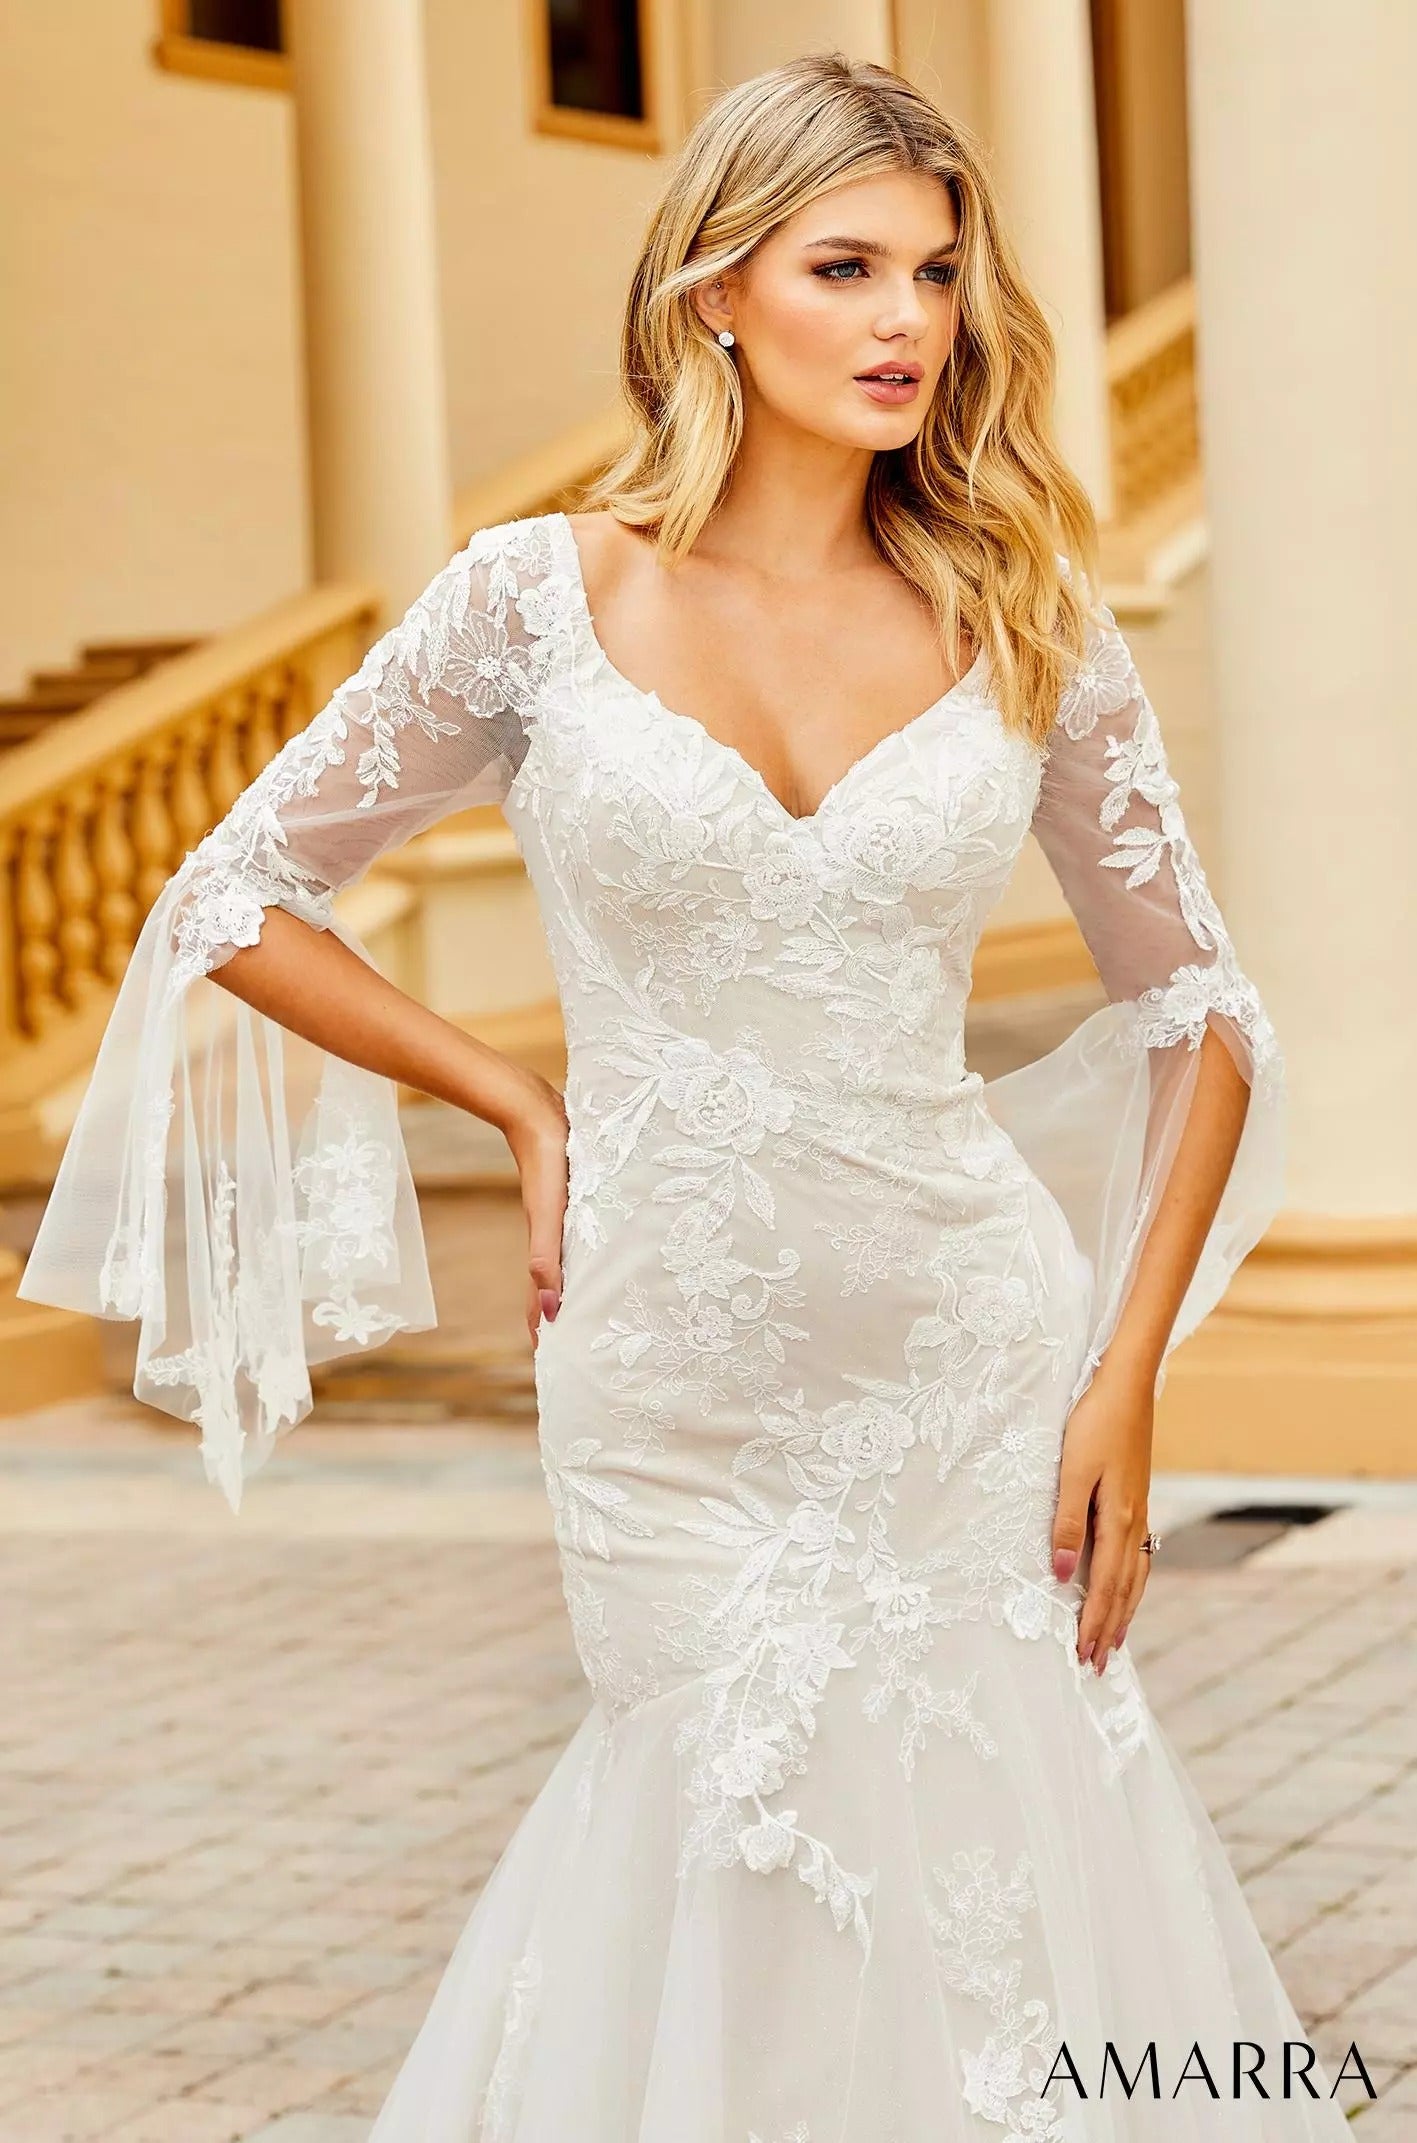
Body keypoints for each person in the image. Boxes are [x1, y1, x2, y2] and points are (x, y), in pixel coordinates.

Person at [20, 52, 1352, 2142]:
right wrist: (518, 1107)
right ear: (715, 291)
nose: (910, 319)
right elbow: (225, 901)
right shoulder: (532, 602)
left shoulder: (1021, 618)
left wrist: (1124, 1376)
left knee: (1003, 1833)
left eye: (934, 269)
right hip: (669, 1369)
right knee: (710, 1808)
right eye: (846, 266)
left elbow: (1203, 1009)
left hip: (965, 1350)